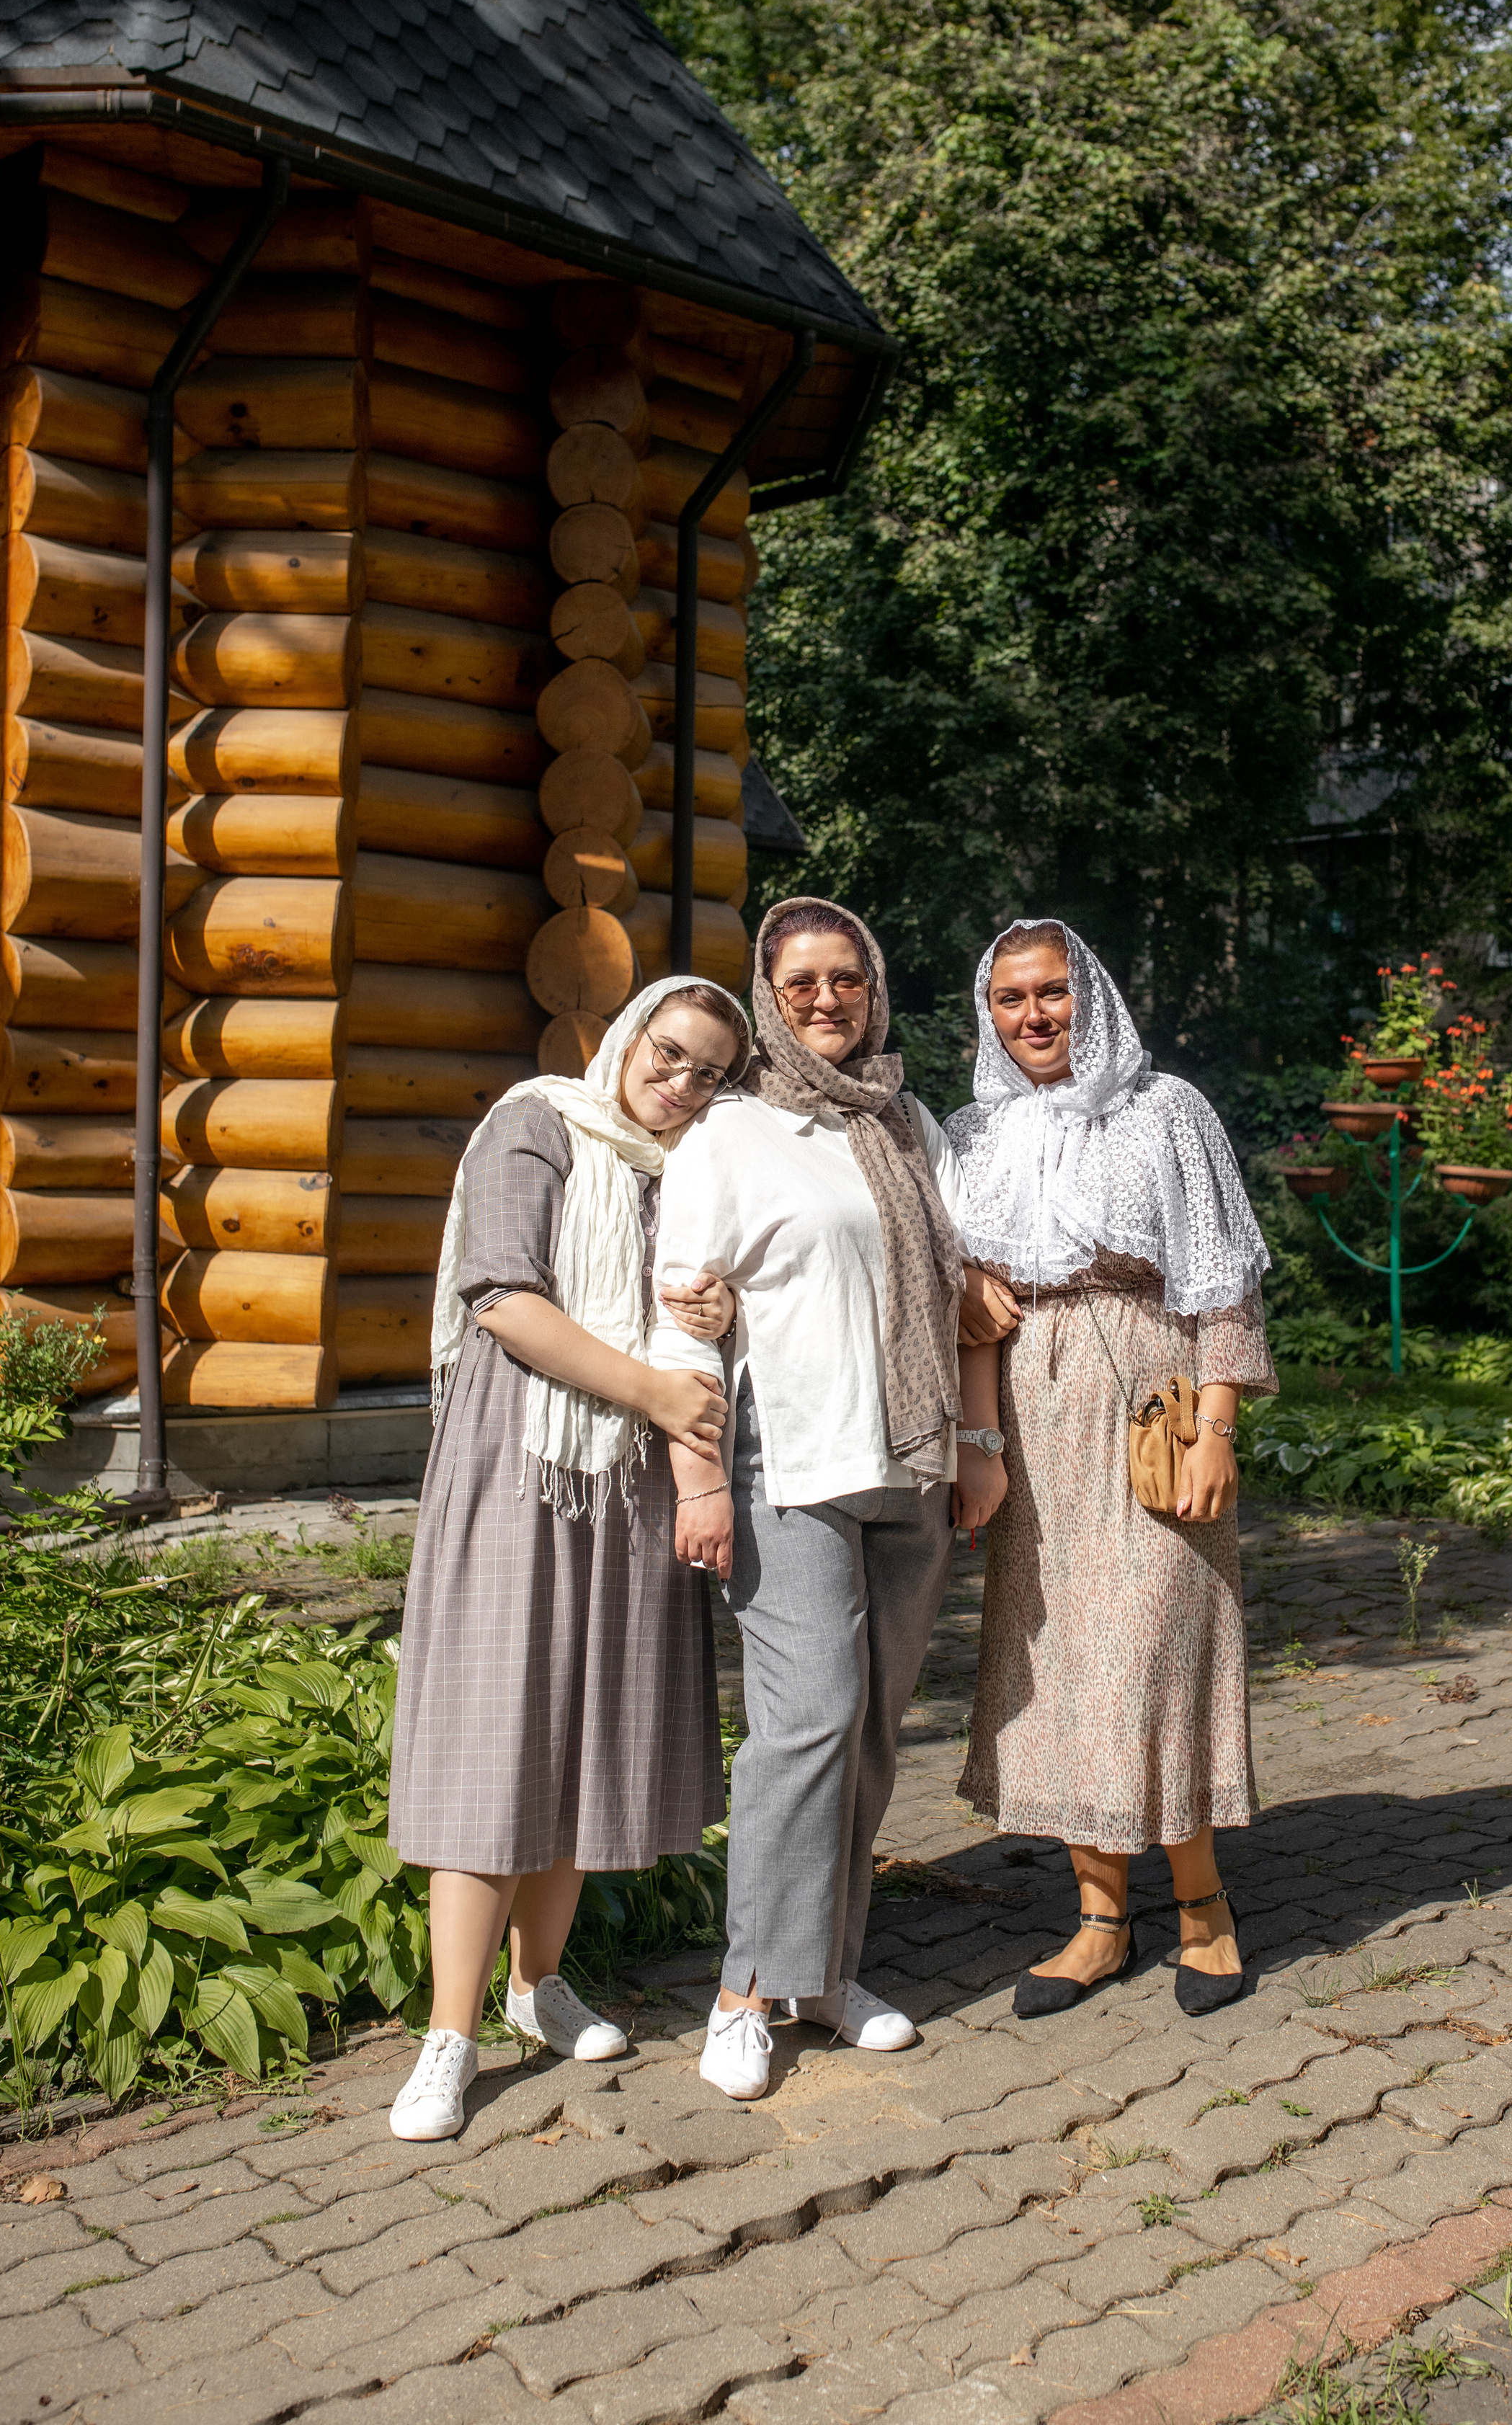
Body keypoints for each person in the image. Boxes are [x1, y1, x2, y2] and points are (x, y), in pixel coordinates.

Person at [646, 897, 1008, 2103]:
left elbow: (965, 1290)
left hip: (909, 1465)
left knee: (865, 1734)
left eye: (845, 979)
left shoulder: (909, 1128)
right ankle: (745, 1990)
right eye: (799, 982)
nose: (825, 1001)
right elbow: (681, 1315)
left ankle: (825, 1973)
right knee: (806, 1727)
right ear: (767, 992)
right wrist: (698, 1477)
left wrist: (977, 1441)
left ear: (876, 987)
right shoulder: (731, 1134)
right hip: (787, 1466)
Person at [385, 975, 754, 2142]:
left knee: (586, 1732)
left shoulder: (689, 1176)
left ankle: (537, 1985)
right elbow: (502, 1296)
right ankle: (449, 2038)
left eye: (709, 1073)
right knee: (496, 1737)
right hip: (520, 1464)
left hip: (632, 1485)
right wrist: (653, 1385)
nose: (682, 1081)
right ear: (630, 1036)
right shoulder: (539, 1119)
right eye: (672, 1051)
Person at [947, 920, 1277, 2018]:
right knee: (1067, 1661)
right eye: (1010, 999)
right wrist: (978, 1429)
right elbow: (957, 1296)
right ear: (986, 1012)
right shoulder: (971, 1135)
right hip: (1029, 1418)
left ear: (1092, 995)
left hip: (1149, 1397)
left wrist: (1219, 1424)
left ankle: (1202, 1912)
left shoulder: (1165, 1109)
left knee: (1154, 1648)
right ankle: (1096, 1923)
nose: (1033, 1016)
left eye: (1053, 993)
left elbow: (1222, 1278)